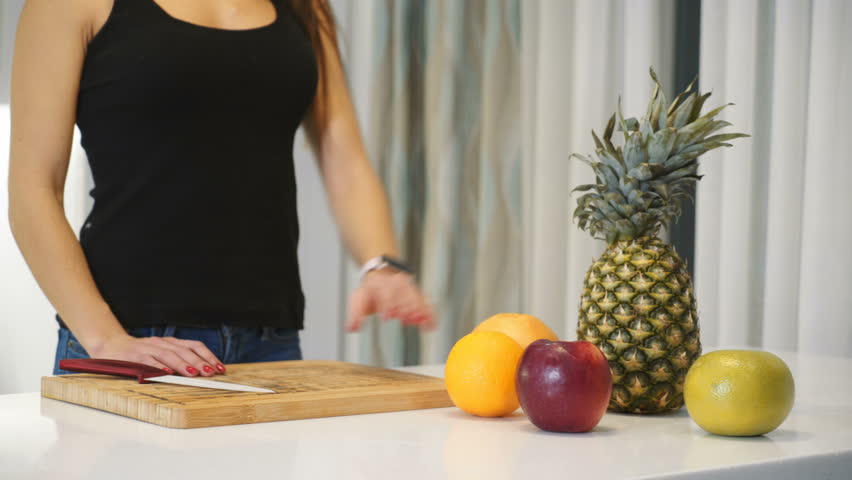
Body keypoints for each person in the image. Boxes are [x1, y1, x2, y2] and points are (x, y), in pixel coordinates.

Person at [8, 0, 434, 378]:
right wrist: (105, 340)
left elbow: (344, 155)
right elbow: (33, 188)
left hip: (270, 341)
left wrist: (380, 264)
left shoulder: (305, 6)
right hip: (131, 339)